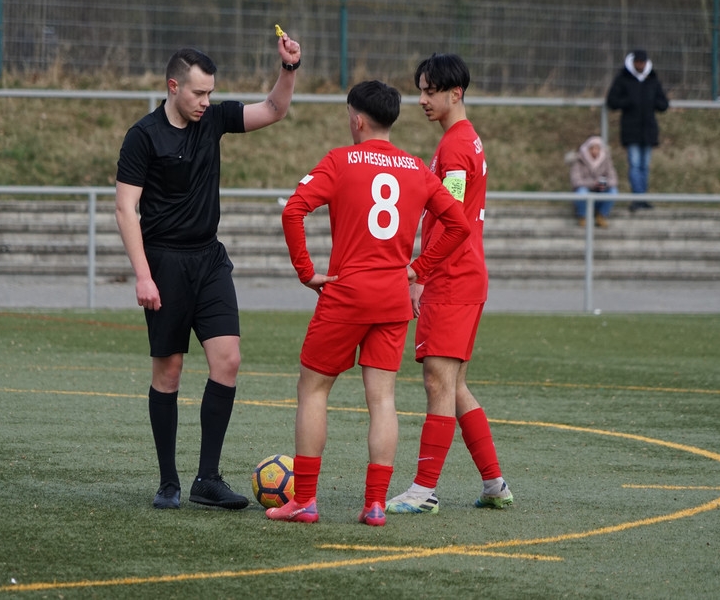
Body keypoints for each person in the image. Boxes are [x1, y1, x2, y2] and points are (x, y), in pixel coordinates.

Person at [268, 80, 472, 526]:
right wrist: (418, 268)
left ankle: (305, 500)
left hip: (346, 293)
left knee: (313, 389)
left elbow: (293, 210)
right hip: (392, 298)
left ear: (357, 119)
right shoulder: (416, 168)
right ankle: (375, 504)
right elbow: (458, 225)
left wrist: (306, 271)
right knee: (382, 399)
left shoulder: (340, 160)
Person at [114, 31, 302, 510]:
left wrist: (288, 69)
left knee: (228, 361)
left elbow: (274, 110)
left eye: (210, 93)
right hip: (164, 262)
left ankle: (207, 479)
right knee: (169, 371)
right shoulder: (142, 136)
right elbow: (125, 209)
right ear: (173, 86)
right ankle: (168, 482)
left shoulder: (213, 119)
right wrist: (143, 275)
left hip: (210, 259)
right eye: (199, 93)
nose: (206, 101)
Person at [386, 53, 514, 515]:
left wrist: (420, 271)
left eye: (430, 91)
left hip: (453, 278)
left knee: (438, 382)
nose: (422, 99)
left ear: (454, 93)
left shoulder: (457, 147)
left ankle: (424, 491)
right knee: (454, 385)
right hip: (465, 275)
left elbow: (452, 220)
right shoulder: (463, 139)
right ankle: (494, 483)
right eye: (421, 90)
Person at [605, 48, 669, 212]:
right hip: (631, 129)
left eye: (642, 62)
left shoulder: (652, 79)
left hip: (648, 130)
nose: (640, 65)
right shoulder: (623, 78)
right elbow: (612, 101)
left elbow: (663, 104)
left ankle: (641, 198)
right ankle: (638, 198)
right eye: (638, 62)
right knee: (634, 164)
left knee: (644, 166)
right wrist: (629, 101)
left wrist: (652, 102)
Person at [570, 135, 619, 228]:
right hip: (586, 191)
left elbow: (613, 179)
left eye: (597, 148)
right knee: (581, 191)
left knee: (613, 191)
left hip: (601, 190)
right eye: (592, 148)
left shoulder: (606, 160)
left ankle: (601, 216)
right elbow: (576, 181)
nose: (594, 151)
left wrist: (602, 183)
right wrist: (593, 183)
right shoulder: (579, 160)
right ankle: (583, 216)